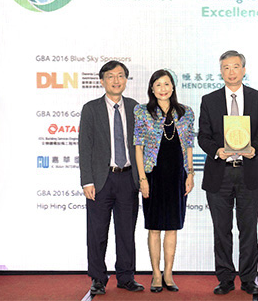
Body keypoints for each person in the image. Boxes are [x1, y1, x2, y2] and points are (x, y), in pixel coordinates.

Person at [198, 50, 258, 296]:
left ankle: (249, 279)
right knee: (222, 230)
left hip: (248, 172)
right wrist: (217, 150)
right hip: (220, 173)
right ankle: (225, 278)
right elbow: (203, 136)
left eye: (236, 67)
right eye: (226, 67)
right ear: (221, 71)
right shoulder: (209, 100)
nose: (231, 72)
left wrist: (255, 148)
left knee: (249, 228)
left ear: (244, 70)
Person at [79, 61, 144, 295]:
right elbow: (84, 147)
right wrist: (87, 181)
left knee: (126, 232)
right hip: (100, 180)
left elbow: (141, 146)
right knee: (97, 232)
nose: (116, 80)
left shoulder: (136, 108)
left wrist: (143, 178)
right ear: (102, 81)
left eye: (120, 76)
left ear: (126, 80)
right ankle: (98, 278)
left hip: (128, 179)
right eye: (110, 76)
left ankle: (126, 276)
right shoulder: (91, 109)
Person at [134, 69, 195, 293]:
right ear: (152, 88)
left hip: (176, 176)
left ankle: (168, 274)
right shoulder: (142, 112)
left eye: (167, 84)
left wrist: (190, 173)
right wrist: (142, 178)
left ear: (173, 87)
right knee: (154, 228)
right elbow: (138, 147)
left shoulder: (186, 112)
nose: (163, 88)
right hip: (152, 175)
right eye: (158, 84)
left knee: (172, 227)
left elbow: (189, 145)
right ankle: (156, 275)